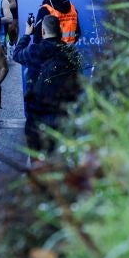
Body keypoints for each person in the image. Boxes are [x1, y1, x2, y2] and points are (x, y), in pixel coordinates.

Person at [13, 13, 82, 156]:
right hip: (64, 115)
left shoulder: (34, 50)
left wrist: (27, 34)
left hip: (37, 116)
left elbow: (16, 54)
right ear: (61, 31)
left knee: (38, 162)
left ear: (43, 32)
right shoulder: (71, 53)